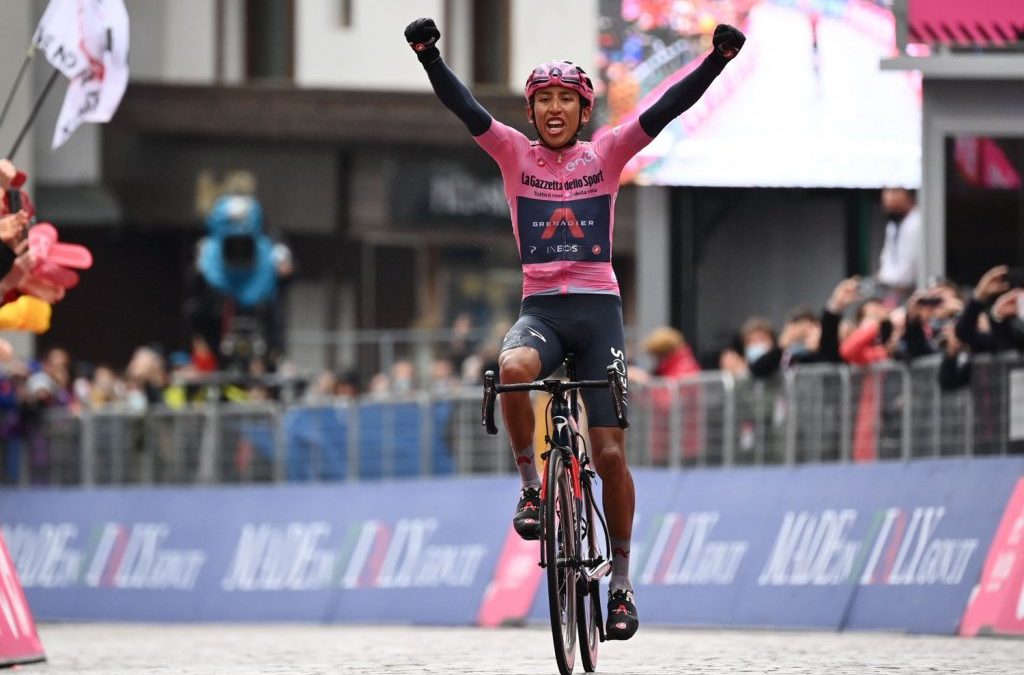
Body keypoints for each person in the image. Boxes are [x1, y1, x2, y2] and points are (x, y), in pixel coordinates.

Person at [405, 15, 745, 640]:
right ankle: (533, 488)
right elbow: (465, 106)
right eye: (544, 100)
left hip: (598, 316)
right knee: (510, 371)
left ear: (583, 110)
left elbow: (667, 107)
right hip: (542, 312)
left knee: (610, 452)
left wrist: (716, 61)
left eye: (566, 100)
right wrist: (429, 56)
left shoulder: (608, 153)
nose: (555, 109)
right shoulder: (512, 152)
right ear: (532, 111)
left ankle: (619, 581)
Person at [875, 187, 921, 304]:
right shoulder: (894, 223)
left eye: (893, 191)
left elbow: (907, 271)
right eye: (886, 191)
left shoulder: (916, 221)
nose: (887, 197)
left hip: (912, 290)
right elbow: (886, 259)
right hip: (893, 291)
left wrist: (885, 280)